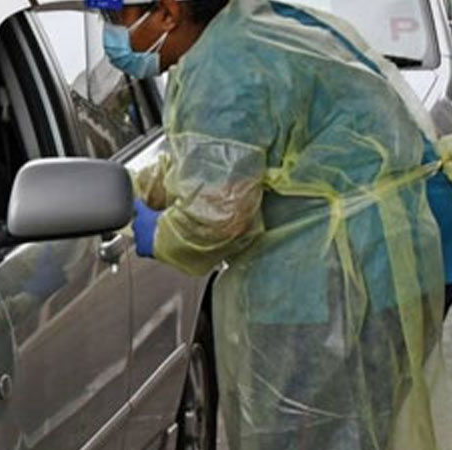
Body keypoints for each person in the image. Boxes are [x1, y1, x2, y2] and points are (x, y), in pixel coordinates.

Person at [93, 0, 452, 448]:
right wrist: (137, 185)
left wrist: (158, 233)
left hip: (354, 266)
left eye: (115, 17)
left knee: (324, 430)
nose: (111, 35)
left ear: (168, 12)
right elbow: (216, 156)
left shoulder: (225, 63)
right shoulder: (246, 29)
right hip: (385, 245)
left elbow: (215, 217)